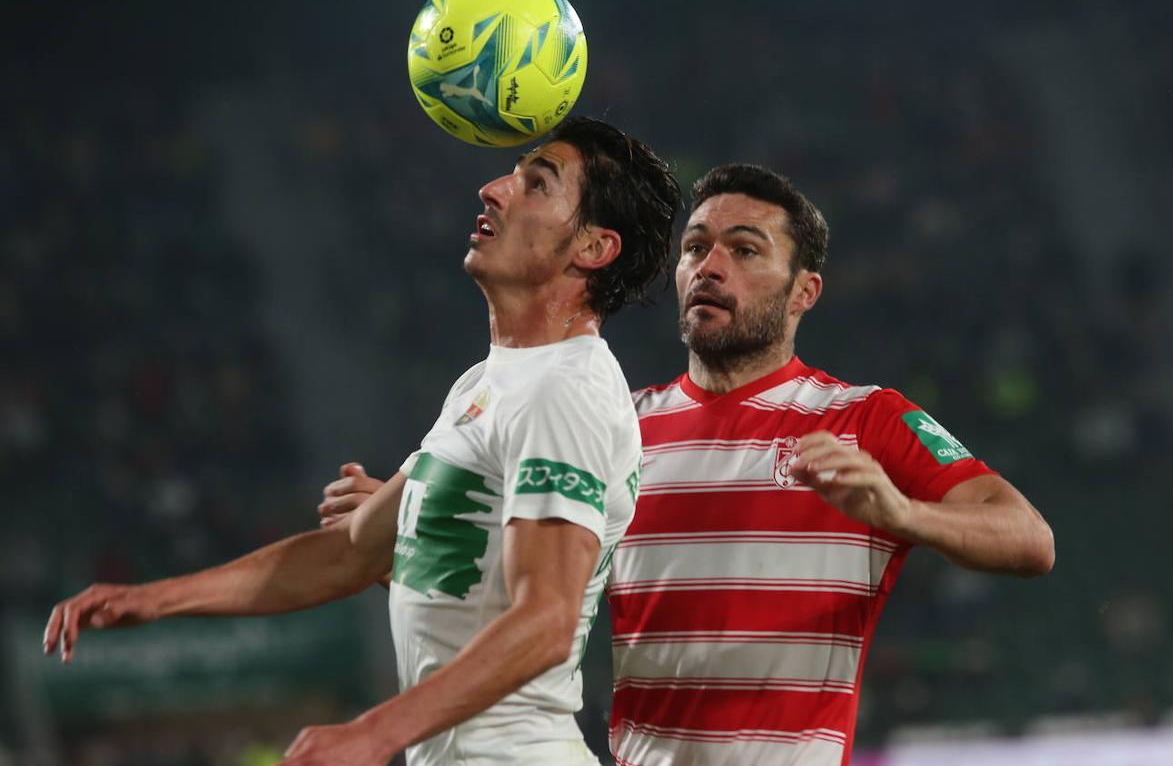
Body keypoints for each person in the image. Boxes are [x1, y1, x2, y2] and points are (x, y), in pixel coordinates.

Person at [320, 164, 1056, 766]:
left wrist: (902, 514)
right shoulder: (615, 425)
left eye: (744, 249)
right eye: (696, 247)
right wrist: (416, 519)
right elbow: (528, 583)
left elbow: (1028, 538)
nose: (710, 266)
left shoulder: (866, 418)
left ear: (805, 292)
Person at [42, 117, 682, 766]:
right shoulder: (485, 385)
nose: (493, 189)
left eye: (536, 184)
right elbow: (350, 551)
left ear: (595, 248)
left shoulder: (563, 389)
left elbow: (546, 622)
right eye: (509, 174)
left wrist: (373, 733)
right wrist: (153, 599)